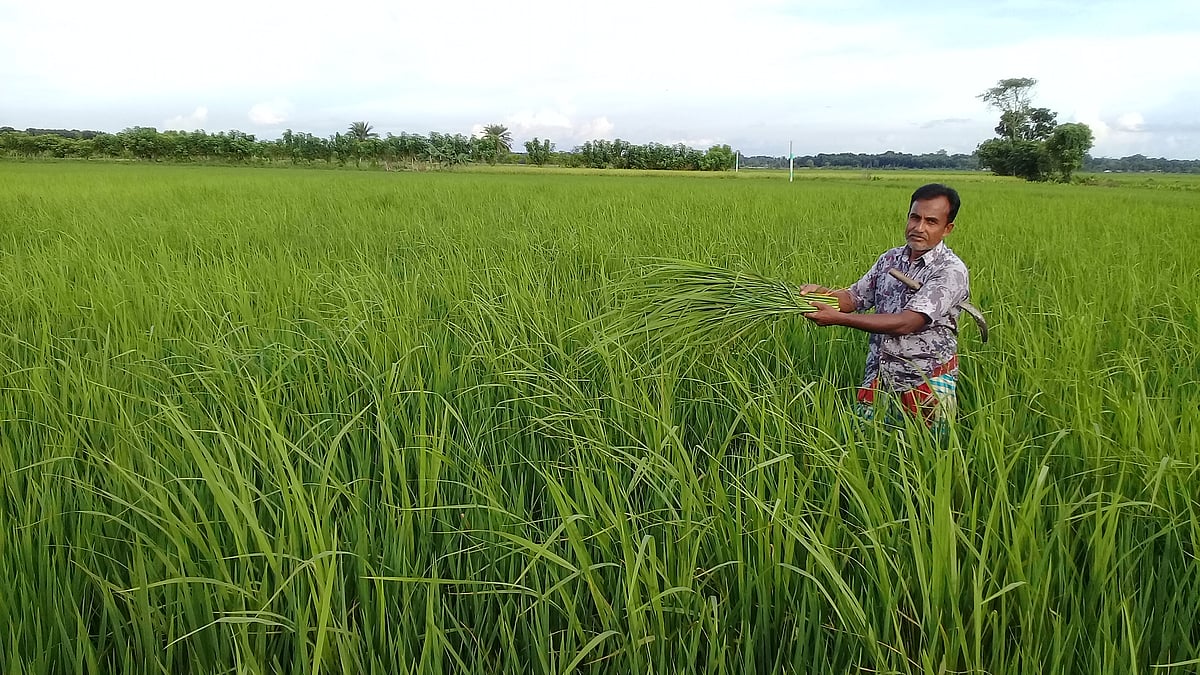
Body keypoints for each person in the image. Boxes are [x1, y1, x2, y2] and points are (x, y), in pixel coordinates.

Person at [800, 183, 970, 437]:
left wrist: (838, 319)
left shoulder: (950, 271)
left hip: (926, 381)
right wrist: (823, 294)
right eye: (915, 217)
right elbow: (854, 297)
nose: (919, 228)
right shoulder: (890, 259)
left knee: (927, 462)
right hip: (880, 377)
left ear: (947, 229)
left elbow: (907, 323)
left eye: (931, 221)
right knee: (864, 450)